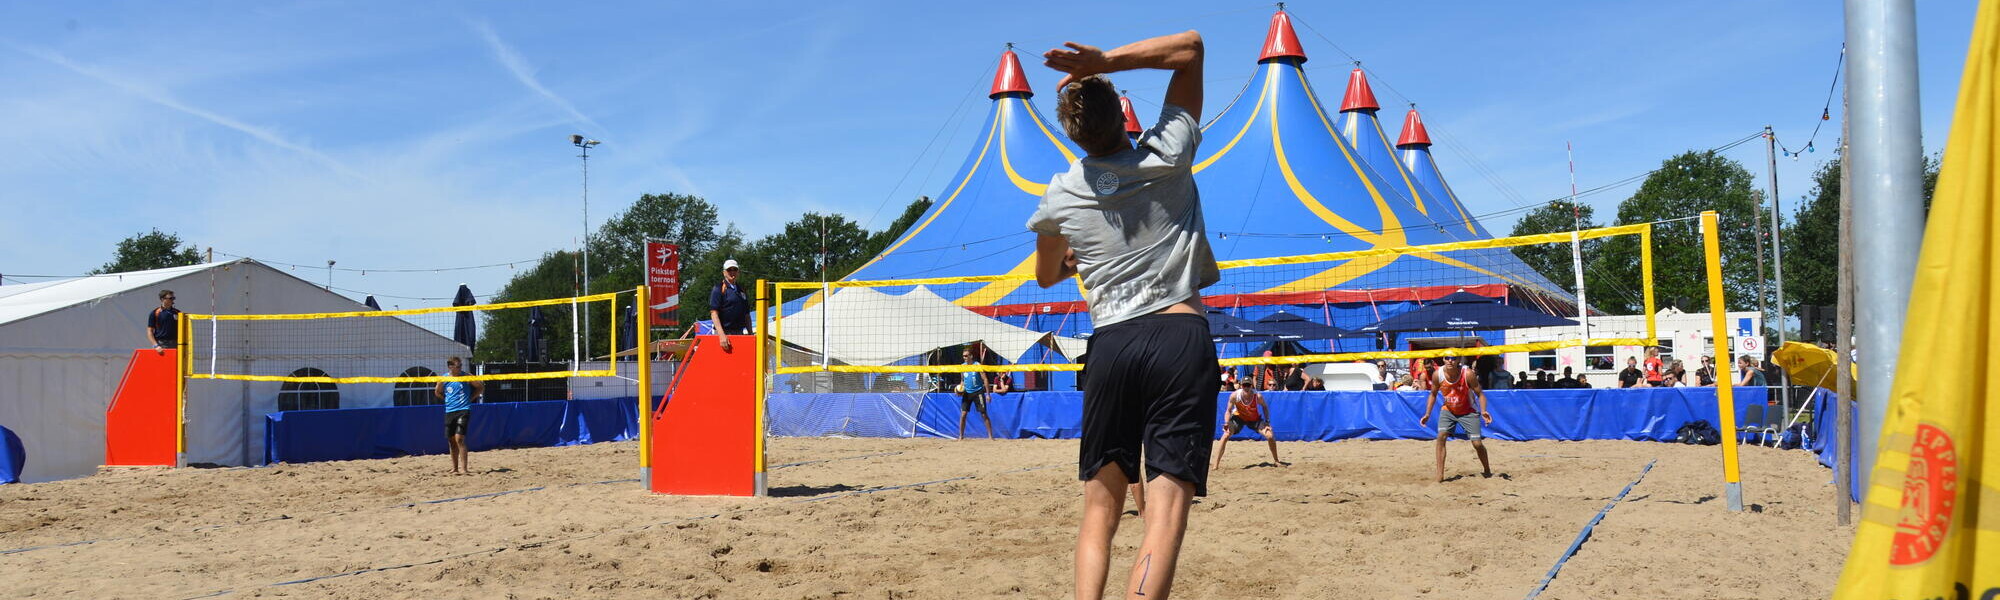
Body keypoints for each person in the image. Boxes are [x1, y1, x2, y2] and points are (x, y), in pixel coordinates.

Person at [1029, 29, 1212, 600]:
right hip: (1179, 334)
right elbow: (1190, 48)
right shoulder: (1167, 153)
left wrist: (1078, 262)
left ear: (1072, 132)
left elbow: (1045, 275)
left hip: (1111, 342)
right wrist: (1104, 61)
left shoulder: (1061, 193)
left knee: (1099, 511)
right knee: (1163, 514)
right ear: (1124, 118)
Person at [1419, 357, 1493, 482]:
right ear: (1443, 360)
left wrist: (1484, 410)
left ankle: (1487, 469)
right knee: (1441, 436)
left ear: (1458, 360)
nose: (1450, 361)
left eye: (1453, 358)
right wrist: (1427, 414)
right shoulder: (1438, 374)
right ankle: (1439, 475)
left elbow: (1480, 393)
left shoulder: (1467, 373)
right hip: (1448, 410)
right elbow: (1433, 394)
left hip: (1468, 411)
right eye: (1447, 358)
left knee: (1477, 444)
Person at [1215, 380, 1286, 468]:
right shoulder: (1235, 395)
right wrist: (1226, 422)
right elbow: (1228, 411)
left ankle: (1276, 461)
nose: (1246, 387)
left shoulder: (1257, 396)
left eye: (1248, 385)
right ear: (1241, 386)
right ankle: (1216, 465)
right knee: (1226, 435)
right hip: (1239, 418)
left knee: (1270, 435)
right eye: (1245, 385)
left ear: (1252, 386)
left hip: (1254, 419)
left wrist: (1267, 422)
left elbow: (1265, 407)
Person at [433, 357, 484, 475]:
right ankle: (455, 468)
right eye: (458, 366)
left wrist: (470, 398)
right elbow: (437, 392)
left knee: (459, 439)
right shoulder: (444, 378)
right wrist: (446, 400)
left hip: (463, 409)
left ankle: (464, 469)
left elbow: (480, 387)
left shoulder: (466, 376)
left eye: (461, 365)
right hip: (450, 411)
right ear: (450, 367)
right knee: (451, 441)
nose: (460, 367)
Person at [707, 259, 752, 352]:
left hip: (739, 332)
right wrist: (721, 335)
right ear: (724, 272)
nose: (732, 272)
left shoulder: (741, 290)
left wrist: (751, 334)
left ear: (738, 272)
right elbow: (714, 313)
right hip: (723, 333)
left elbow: (747, 315)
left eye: (734, 269)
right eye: (729, 270)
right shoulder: (718, 288)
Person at [955, 349, 996, 440]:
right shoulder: (962, 366)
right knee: (963, 414)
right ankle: (961, 436)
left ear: (971, 356)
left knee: (984, 414)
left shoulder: (977, 365)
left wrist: (988, 394)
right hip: (967, 393)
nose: (964, 357)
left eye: (966, 355)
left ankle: (990, 437)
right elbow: (962, 380)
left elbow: (985, 379)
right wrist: (959, 389)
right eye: (963, 356)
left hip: (978, 392)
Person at [146, 290, 180, 355]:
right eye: (170, 298)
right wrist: (156, 345)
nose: (173, 300)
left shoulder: (178, 312)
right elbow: (149, 331)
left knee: (176, 365)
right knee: (163, 365)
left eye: (173, 298)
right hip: (162, 344)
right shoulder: (155, 313)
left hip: (177, 344)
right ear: (162, 299)